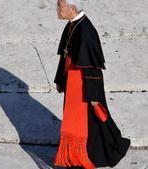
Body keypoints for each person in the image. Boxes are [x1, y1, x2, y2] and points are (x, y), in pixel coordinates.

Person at [53, 0, 131, 168]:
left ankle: (98, 153)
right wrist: (60, 79)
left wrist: (93, 95)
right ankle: (80, 155)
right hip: (73, 83)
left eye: (60, 5)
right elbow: (65, 55)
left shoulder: (86, 30)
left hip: (85, 86)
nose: (57, 10)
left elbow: (92, 66)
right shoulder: (72, 25)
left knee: (93, 122)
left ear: (72, 7)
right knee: (88, 123)